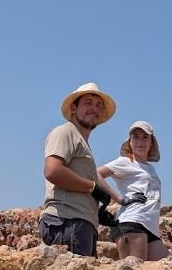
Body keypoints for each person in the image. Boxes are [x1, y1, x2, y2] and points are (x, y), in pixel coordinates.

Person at [40, 82, 120, 257]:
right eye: (88, 103)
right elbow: (53, 171)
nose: (94, 108)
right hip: (68, 222)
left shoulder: (81, 141)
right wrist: (92, 187)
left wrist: (97, 213)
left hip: (79, 224)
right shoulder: (65, 132)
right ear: (74, 108)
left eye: (98, 105)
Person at [98, 121, 169, 261]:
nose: (140, 141)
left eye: (145, 137)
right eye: (136, 137)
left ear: (151, 143)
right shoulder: (124, 162)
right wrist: (119, 199)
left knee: (164, 268)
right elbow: (96, 174)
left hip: (150, 228)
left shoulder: (149, 167)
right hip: (131, 222)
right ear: (130, 142)